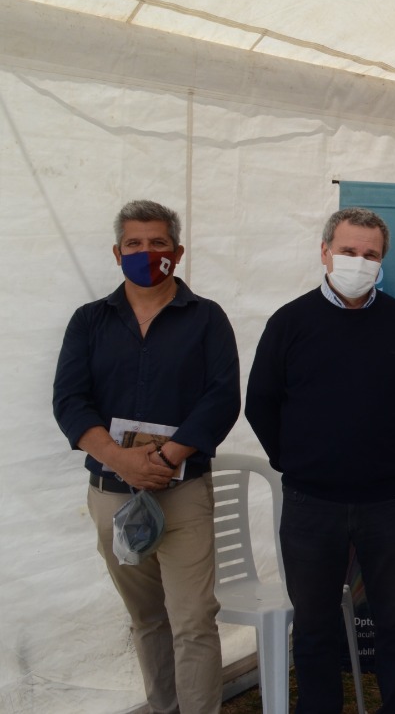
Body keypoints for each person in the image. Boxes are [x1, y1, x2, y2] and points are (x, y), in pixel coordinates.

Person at [52, 199, 240, 714]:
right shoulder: (89, 322)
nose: (146, 252)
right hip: (112, 497)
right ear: (117, 253)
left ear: (176, 253)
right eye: (134, 243)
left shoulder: (206, 319)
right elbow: (69, 400)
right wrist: (119, 459)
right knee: (147, 619)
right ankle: (164, 707)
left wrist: (164, 459)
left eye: (157, 243)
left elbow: (222, 397)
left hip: (183, 495)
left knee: (194, 619)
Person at [245, 206, 395, 714]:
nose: (359, 261)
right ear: (325, 252)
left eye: (370, 255)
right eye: (349, 251)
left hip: (387, 502)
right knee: (313, 626)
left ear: (382, 261)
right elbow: (259, 401)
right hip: (312, 502)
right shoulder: (290, 322)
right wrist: (300, 461)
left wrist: (380, 454)